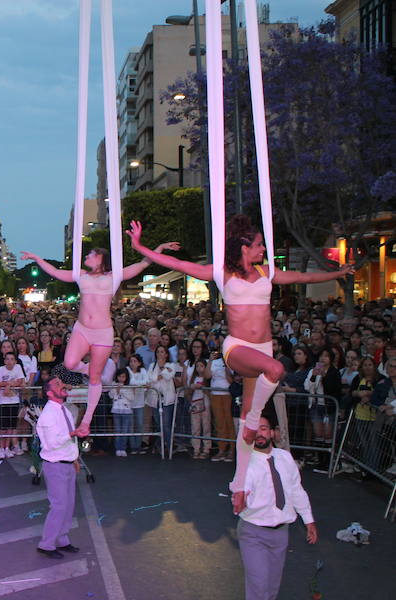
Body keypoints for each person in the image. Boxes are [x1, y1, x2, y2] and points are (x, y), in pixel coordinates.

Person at [127, 216, 353, 511]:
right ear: (244, 246)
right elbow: (178, 265)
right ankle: (252, 422)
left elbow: (303, 277)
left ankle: (239, 486)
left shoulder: (266, 271)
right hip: (238, 349)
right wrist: (140, 246)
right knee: (274, 372)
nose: (263, 250)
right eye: (259, 245)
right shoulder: (221, 273)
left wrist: (339, 272)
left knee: (247, 415)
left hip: (261, 349)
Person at [21, 240, 179, 436]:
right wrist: (37, 258)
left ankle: (86, 422)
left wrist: (159, 248)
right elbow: (55, 272)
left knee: (95, 378)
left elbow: (142, 264)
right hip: (82, 329)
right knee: (69, 363)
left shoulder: (113, 277)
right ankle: (91, 369)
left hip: (102, 332)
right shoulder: (81, 275)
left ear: (100, 258)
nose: (86, 256)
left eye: (90, 254)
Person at [236, 413, 317, 600]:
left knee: (272, 586)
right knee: (259, 585)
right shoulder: (245, 462)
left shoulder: (285, 457)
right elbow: (241, 485)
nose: (259, 434)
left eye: (263, 429)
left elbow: (297, 490)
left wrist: (309, 521)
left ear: (272, 433)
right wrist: (241, 497)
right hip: (253, 532)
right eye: (254, 430)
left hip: (281, 533)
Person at [36, 376, 83, 559]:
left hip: (66, 464)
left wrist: (74, 459)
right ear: (49, 392)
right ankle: (46, 544)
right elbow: (51, 444)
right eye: (57, 384)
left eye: (61, 383)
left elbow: (69, 440)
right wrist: (72, 433)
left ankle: (62, 539)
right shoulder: (48, 415)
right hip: (55, 466)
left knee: (68, 505)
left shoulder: (65, 411)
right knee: (59, 506)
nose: (62, 385)